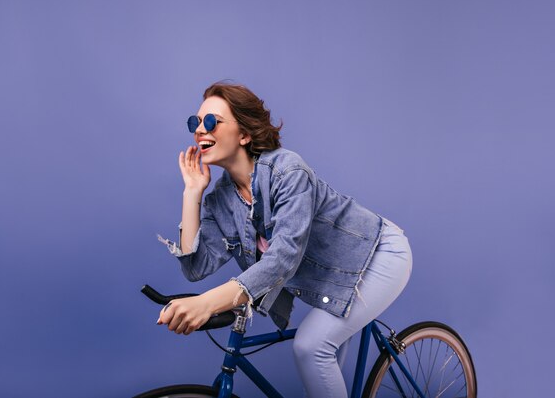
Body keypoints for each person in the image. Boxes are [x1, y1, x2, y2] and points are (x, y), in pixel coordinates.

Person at [156, 81, 413, 398]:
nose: (199, 130)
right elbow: (195, 268)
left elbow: (283, 259)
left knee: (310, 347)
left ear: (244, 134)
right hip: (330, 283)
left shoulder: (287, 171)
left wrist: (207, 303)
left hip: (378, 257)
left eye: (211, 122)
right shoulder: (222, 197)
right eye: (195, 123)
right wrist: (192, 192)